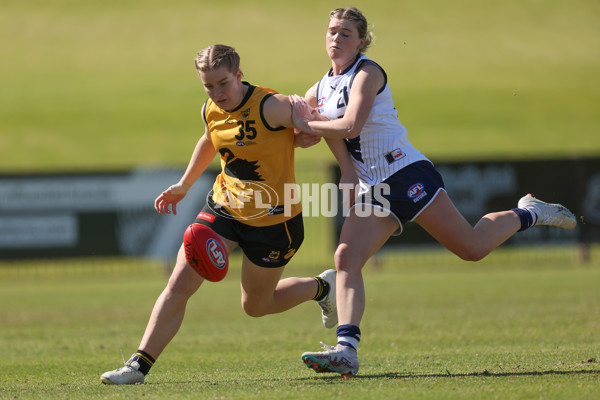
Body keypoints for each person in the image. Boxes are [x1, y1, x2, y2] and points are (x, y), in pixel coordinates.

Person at [290, 7, 577, 378]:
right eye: (332, 31)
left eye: (346, 33)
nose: (336, 38)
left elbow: (350, 124)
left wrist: (306, 121)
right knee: (346, 258)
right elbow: (314, 134)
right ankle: (347, 350)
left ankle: (530, 212)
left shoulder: (368, 72)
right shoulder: (321, 87)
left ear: (362, 40)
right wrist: (309, 136)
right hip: (373, 187)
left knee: (471, 248)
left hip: (405, 172)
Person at [100, 44, 337, 385]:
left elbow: (322, 126)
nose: (217, 92)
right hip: (223, 208)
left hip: (274, 222)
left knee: (256, 306)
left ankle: (322, 287)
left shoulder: (272, 105)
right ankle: (137, 367)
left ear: (239, 75)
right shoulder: (210, 108)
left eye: (223, 83)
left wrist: (306, 131)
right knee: (179, 284)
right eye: (208, 86)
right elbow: (210, 140)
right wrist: (184, 184)